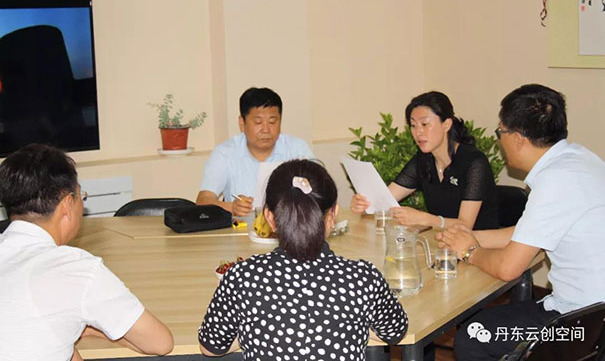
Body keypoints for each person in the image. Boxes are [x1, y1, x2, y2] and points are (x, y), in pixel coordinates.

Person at [437, 84, 605, 360]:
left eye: (500, 132)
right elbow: (530, 231)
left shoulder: (554, 181)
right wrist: (470, 236)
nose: (499, 140)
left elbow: (508, 268)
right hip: (594, 315)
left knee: (475, 334)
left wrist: (469, 251)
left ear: (517, 138)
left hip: (582, 327)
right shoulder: (580, 160)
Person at [198, 159, 408, 359]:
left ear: (269, 217)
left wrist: (249, 331)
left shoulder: (242, 278)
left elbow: (211, 347)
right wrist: (355, 325)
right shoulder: (362, 278)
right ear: (333, 215)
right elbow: (395, 332)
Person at [0, 144, 174, 361]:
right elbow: (160, 343)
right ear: (67, 204)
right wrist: (96, 329)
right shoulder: (75, 268)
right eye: (81, 197)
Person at [351, 91, 499, 230]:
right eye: (413, 125)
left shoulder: (474, 162)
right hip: (441, 240)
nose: (418, 132)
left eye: (424, 124)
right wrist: (364, 205)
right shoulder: (423, 160)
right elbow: (383, 200)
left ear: (446, 124)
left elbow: (465, 225)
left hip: (479, 244)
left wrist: (426, 219)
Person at [196, 87, 314, 217]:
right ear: (242, 123)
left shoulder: (297, 148)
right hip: (242, 227)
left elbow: (321, 189)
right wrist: (231, 207)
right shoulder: (225, 153)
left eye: (272, 122)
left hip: (289, 225)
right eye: (258, 122)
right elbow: (203, 201)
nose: (266, 129)